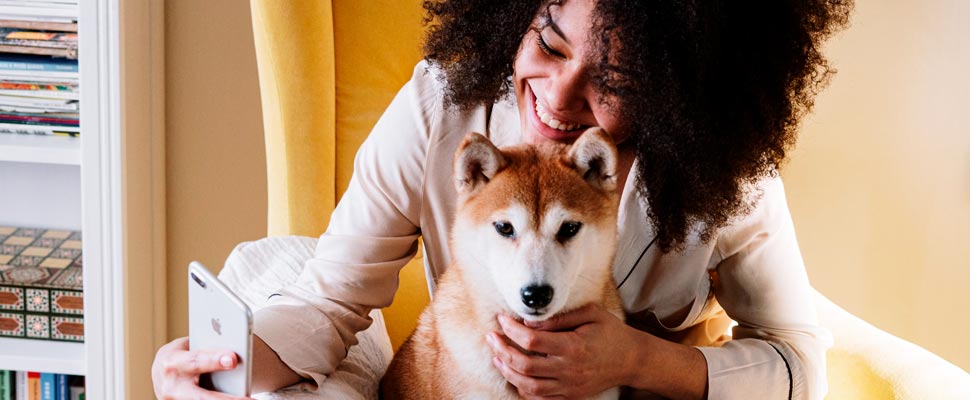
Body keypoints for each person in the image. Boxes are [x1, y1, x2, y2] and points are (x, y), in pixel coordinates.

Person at [153, 0, 854, 398]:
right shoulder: (438, 110)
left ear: (677, 97)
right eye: (549, 43)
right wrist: (216, 370)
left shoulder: (726, 179)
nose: (557, 94)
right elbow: (329, 301)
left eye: (615, 81)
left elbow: (800, 362)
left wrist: (634, 361)